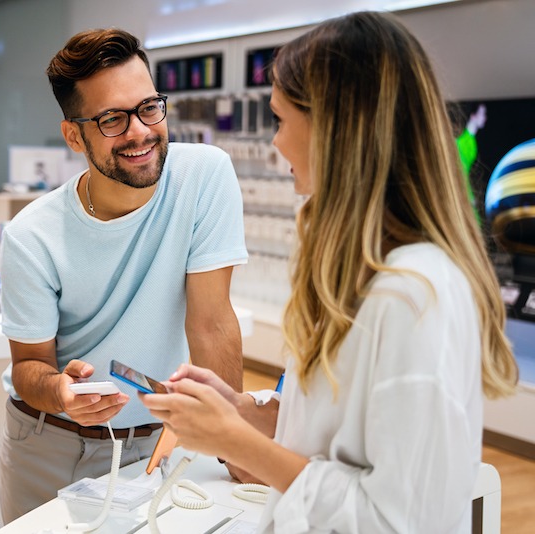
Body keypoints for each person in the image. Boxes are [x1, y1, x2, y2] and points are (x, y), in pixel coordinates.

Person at [143, 11, 519, 533]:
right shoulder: (371, 278)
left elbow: (394, 517)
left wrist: (234, 441)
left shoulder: (414, 295)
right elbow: (339, 438)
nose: (275, 143)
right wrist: (241, 410)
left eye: (281, 119)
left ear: (335, 127)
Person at [0, 28, 248, 523]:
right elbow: (29, 367)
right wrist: (63, 394)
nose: (139, 131)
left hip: (156, 438)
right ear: (74, 135)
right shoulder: (31, 234)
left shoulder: (204, 177)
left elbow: (211, 322)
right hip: (50, 442)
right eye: (112, 118)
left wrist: (234, 443)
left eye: (149, 107)